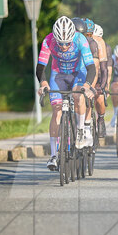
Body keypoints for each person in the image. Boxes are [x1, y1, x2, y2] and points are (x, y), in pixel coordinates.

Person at [36, 16, 97, 171]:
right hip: (58, 75)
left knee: (78, 96)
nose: (63, 46)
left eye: (67, 43)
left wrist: (87, 86)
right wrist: (43, 83)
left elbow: (91, 67)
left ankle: (81, 130)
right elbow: (41, 67)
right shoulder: (49, 40)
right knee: (56, 111)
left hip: (78, 73)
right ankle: (54, 155)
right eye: (60, 43)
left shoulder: (80, 39)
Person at [74, 18, 109, 142]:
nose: (88, 38)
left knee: (97, 97)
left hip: (97, 74)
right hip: (81, 73)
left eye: (89, 35)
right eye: (85, 35)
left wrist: (103, 86)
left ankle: (100, 118)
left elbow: (103, 68)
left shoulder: (98, 42)